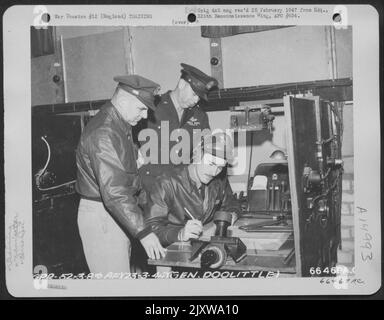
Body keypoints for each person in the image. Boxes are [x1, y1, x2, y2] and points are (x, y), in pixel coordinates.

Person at [75, 75, 166, 274]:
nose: (144, 116)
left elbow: (127, 173)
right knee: (114, 285)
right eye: (141, 108)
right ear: (124, 100)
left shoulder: (119, 125)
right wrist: (143, 232)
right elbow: (115, 192)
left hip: (114, 213)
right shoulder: (104, 132)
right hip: (104, 216)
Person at [142, 132, 241, 248]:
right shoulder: (166, 183)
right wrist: (179, 234)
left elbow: (232, 204)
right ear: (197, 155)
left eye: (220, 167)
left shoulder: (219, 180)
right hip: (171, 250)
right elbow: (150, 228)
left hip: (203, 246)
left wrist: (231, 215)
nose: (214, 172)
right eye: (211, 163)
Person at [138, 63, 218, 189]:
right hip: (150, 186)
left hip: (180, 188)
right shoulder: (151, 108)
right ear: (182, 84)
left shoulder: (200, 117)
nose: (196, 100)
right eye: (194, 94)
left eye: (199, 97)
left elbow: (205, 151)